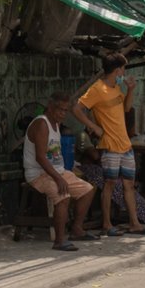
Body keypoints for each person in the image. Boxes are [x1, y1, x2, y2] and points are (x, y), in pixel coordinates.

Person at [73, 50, 145, 237]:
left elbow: (127, 108)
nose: (124, 72)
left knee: (129, 184)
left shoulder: (117, 88)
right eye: (123, 69)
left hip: (125, 144)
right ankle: (107, 224)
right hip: (109, 145)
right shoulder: (97, 89)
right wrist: (93, 127)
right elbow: (76, 108)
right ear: (117, 70)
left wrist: (130, 90)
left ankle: (134, 223)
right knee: (110, 184)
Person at [23, 93, 95, 251]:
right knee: (62, 196)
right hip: (39, 174)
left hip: (57, 171)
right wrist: (58, 179)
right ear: (50, 107)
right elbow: (41, 157)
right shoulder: (42, 124)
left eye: (65, 111)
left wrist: (61, 175)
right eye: (60, 110)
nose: (62, 114)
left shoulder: (56, 124)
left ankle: (76, 229)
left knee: (88, 190)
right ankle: (59, 241)